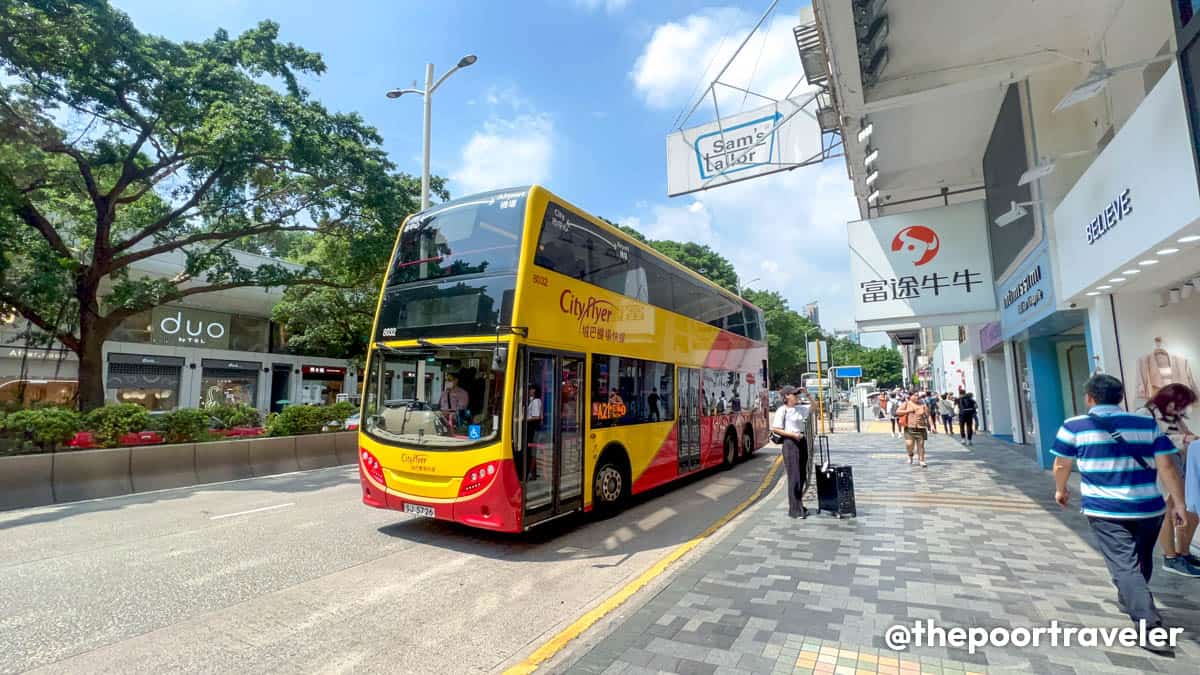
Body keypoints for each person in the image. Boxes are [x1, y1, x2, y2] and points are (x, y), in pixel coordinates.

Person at [1052, 374, 1187, 647]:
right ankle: (1132, 598)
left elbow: (1061, 464)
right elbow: (1167, 466)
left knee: (1124, 564)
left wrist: (1061, 489)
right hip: (1149, 508)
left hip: (1105, 508)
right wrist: (1180, 503)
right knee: (1139, 559)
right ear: (1120, 398)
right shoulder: (1146, 424)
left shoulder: (1074, 426)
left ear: (1090, 398)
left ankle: (1147, 624)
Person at [1135, 383, 1200, 577]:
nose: (1183, 408)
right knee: (1166, 513)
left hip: (1178, 469)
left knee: (1185, 511)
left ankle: (1183, 552)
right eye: (1181, 403)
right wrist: (1183, 440)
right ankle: (1171, 557)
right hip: (1157, 471)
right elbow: (1145, 441)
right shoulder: (1145, 414)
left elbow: (1183, 436)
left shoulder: (1175, 417)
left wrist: (1190, 438)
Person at [771, 385, 811, 519]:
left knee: (802, 475)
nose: (797, 396)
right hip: (790, 444)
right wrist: (792, 435)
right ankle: (794, 510)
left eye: (797, 394)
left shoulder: (800, 409)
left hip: (802, 442)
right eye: (794, 394)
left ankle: (799, 505)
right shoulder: (782, 410)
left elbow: (815, 407)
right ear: (787, 396)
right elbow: (776, 428)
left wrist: (807, 394)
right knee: (794, 477)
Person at [898, 391, 934, 467]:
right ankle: (910, 455)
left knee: (921, 445)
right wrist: (908, 411)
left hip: (921, 427)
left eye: (918, 395)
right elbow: (898, 412)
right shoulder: (906, 404)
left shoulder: (923, 405)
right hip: (909, 427)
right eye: (915, 395)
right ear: (910, 396)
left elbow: (928, 416)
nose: (917, 397)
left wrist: (932, 426)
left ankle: (921, 460)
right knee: (909, 444)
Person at [525, 385, 543, 480]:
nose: (529, 390)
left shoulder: (536, 401)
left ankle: (531, 472)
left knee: (533, 451)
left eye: (531, 389)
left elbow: (537, 417)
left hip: (533, 429)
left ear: (535, 390)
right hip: (534, 429)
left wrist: (526, 419)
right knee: (533, 450)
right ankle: (533, 472)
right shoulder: (535, 400)